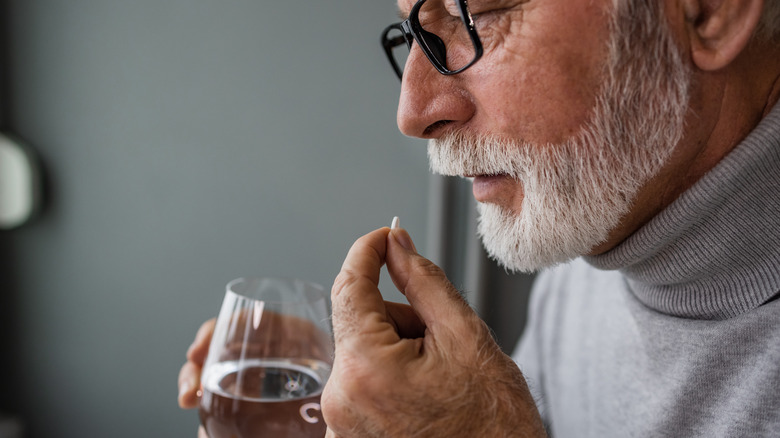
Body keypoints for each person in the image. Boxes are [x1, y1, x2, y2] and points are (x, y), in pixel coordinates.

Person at [179, 0, 780, 436]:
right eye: (412, 30)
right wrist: (379, 404)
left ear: (708, 11)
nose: (413, 112)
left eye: (476, 14)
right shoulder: (589, 252)